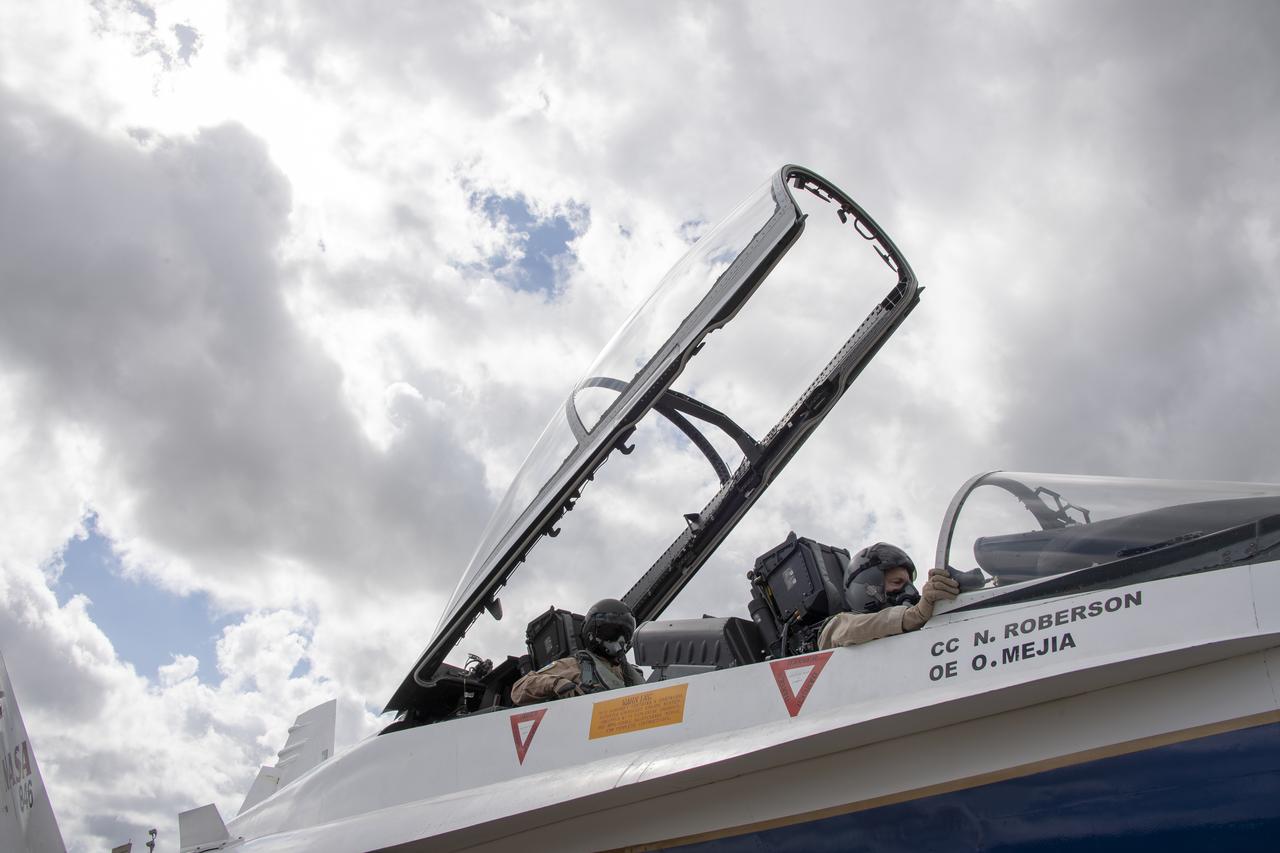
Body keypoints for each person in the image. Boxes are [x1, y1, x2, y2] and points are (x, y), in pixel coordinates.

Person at [818, 542, 960, 649]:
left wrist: (938, 602)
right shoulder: (834, 628)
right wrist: (914, 615)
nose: (910, 591)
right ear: (868, 589)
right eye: (897, 582)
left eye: (909, 584)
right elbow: (859, 627)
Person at [511, 598, 645, 705]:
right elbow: (518, 690)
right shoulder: (576, 665)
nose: (620, 640)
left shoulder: (631, 674)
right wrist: (556, 683)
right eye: (612, 632)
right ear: (592, 633)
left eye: (625, 634)